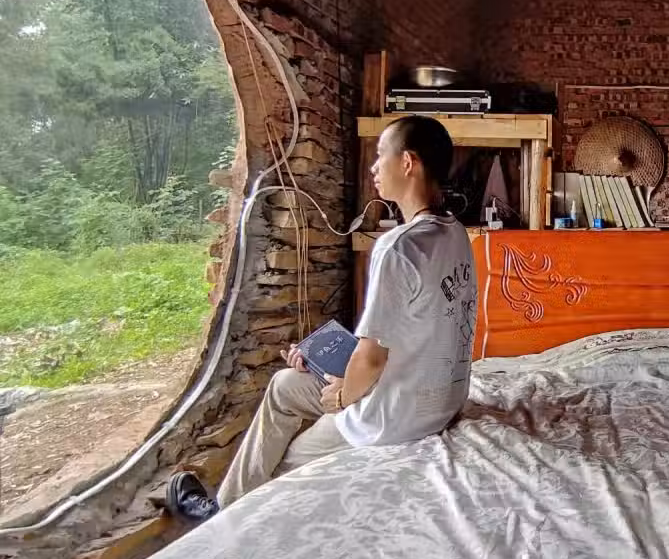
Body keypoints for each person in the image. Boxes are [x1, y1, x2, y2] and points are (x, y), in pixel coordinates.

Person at [165, 114, 478, 521]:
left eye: (381, 155)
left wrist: (343, 397)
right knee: (284, 385)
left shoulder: (398, 248)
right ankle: (224, 502)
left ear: (407, 163)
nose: (374, 167)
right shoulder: (454, 233)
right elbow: (411, 332)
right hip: (438, 401)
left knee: (286, 467)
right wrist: (326, 363)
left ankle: (226, 518)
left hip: (395, 416)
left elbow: (372, 360)